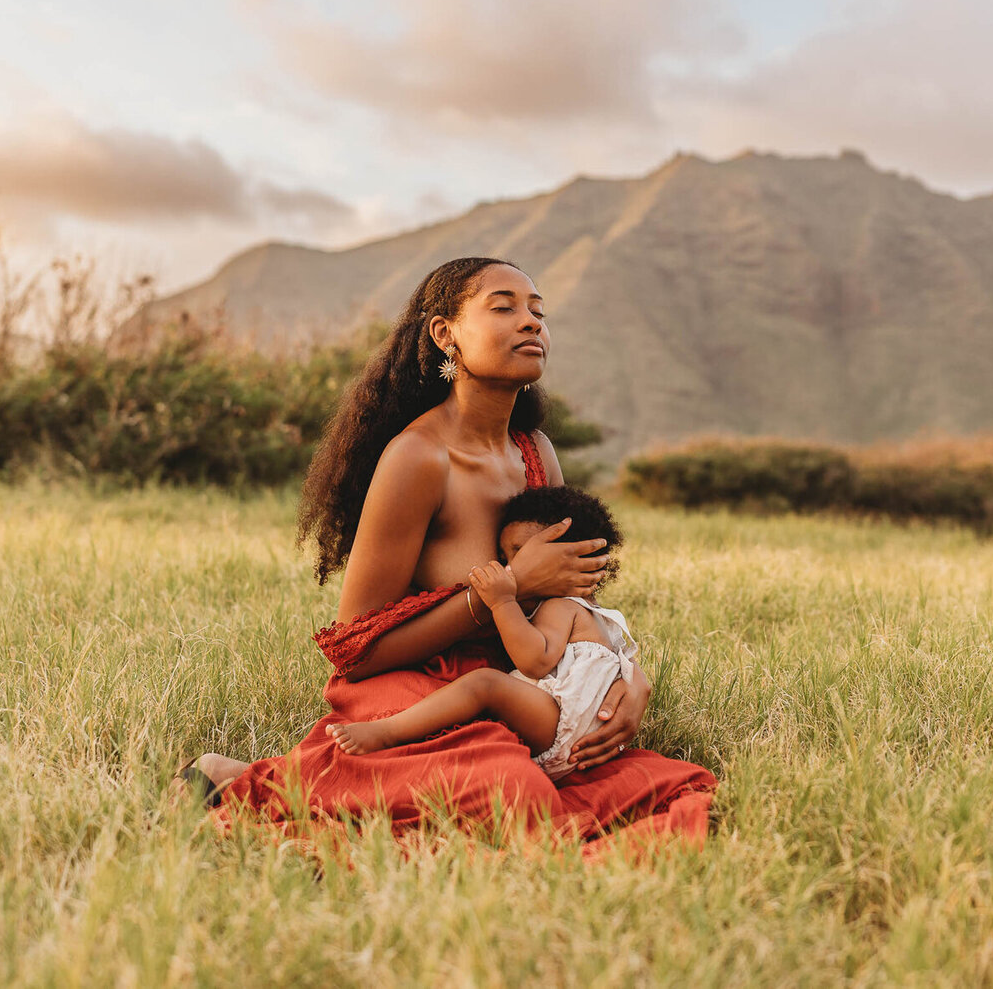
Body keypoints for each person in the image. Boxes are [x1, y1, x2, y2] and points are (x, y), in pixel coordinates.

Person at [175, 257, 714, 845]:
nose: (530, 322)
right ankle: (253, 785)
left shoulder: (535, 452)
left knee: (669, 784)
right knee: (519, 798)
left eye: (538, 312)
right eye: (504, 307)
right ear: (444, 333)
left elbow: (570, 613)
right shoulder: (418, 458)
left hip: (512, 683)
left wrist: (628, 682)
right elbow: (356, 649)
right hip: (413, 685)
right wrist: (507, 591)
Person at [326, 486, 637, 782]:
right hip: (588, 729)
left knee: (484, 684)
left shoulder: (560, 607)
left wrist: (501, 602)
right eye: (505, 557)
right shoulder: (595, 610)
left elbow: (535, 661)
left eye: (519, 553)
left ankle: (387, 731)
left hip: (565, 722)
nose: (509, 567)